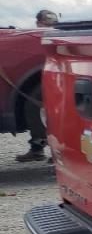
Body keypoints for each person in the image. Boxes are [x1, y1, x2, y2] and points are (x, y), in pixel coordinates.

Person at [15, 8, 57, 163]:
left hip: (52, 84)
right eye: (45, 25)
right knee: (36, 113)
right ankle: (38, 149)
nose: (47, 28)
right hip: (45, 83)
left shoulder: (40, 38)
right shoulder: (48, 37)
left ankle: (53, 152)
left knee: (42, 114)